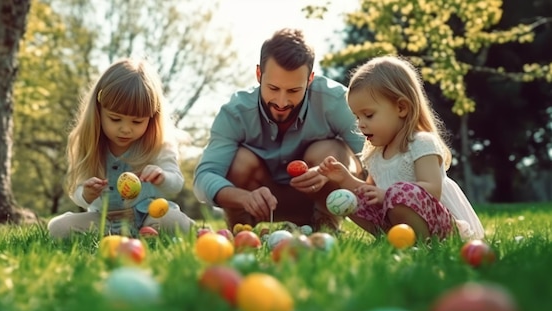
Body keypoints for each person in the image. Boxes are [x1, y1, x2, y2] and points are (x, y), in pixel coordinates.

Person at [193, 28, 365, 232]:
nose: (282, 102)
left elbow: (372, 157)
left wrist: (335, 174)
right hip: (257, 204)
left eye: (293, 90)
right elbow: (204, 177)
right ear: (259, 74)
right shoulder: (235, 113)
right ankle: (242, 232)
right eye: (273, 88)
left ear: (309, 79)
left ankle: (325, 226)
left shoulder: (337, 101)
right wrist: (244, 197)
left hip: (317, 198)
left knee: (331, 151)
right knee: (239, 160)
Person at [318, 55, 484, 240]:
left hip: (440, 227)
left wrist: (388, 194)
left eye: (369, 115)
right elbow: (369, 193)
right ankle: (389, 237)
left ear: (401, 108)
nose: (361, 124)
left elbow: (433, 189)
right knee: (350, 198)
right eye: (358, 117)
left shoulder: (421, 143)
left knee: (400, 192)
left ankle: (422, 241)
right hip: (396, 222)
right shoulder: (376, 154)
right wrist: (344, 178)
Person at [48, 58, 195, 239]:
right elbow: (76, 192)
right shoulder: (89, 145)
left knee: (173, 221)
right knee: (58, 228)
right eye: (115, 119)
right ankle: (131, 236)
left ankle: (148, 232)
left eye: (137, 121)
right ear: (98, 111)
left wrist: (162, 177)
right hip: (103, 220)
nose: (125, 129)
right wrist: (86, 193)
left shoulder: (160, 144)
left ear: (152, 118)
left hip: (149, 215)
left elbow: (176, 185)